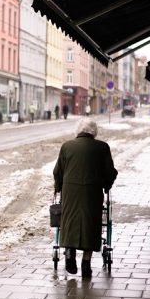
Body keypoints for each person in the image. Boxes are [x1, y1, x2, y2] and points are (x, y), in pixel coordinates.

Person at [53, 118, 118, 278]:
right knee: (91, 223)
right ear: (94, 132)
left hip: (70, 192)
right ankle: (86, 264)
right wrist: (107, 185)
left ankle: (69, 254)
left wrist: (58, 187)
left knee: (70, 221)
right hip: (92, 191)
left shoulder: (67, 146)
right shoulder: (102, 147)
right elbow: (110, 172)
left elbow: (57, 172)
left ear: (78, 131)